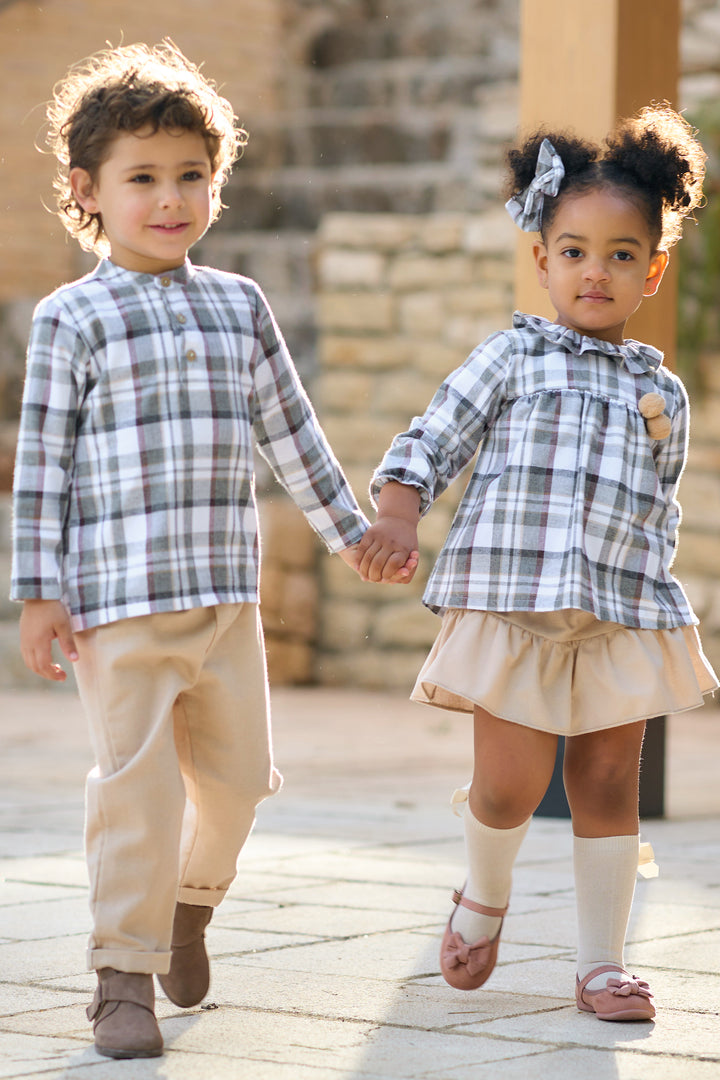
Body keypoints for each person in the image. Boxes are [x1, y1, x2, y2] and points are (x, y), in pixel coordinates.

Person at [10, 41, 414, 1060]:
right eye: (142, 178)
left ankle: (191, 908)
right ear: (87, 192)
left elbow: (293, 434)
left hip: (227, 601)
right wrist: (38, 595)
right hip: (118, 605)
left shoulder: (239, 307)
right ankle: (120, 977)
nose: (170, 198)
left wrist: (352, 532)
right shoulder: (72, 319)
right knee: (135, 792)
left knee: (237, 785)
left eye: (191, 175)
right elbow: (43, 466)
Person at [355, 104, 717, 1022]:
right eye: (575, 250)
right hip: (513, 599)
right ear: (543, 258)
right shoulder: (511, 355)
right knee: (512, 786)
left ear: (653, 270)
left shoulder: (659, 389)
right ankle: (484, 892)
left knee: (605, 782)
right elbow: (435, 436)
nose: (597, 270)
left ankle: (603, 963)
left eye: (623, 254)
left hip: (617, 609)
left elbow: (659, 500)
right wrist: (399, 508)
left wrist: (653, 604)